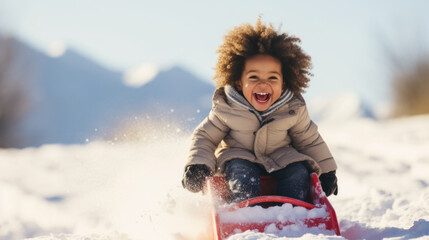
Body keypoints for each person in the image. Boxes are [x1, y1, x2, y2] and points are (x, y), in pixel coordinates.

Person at [182, 18, 338, 203]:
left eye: (272, 77)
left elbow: (309, 141)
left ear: (284, 82)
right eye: (254, 77)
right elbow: (205, 137)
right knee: (242, 175)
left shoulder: (293, 109)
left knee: (298, 173)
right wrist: (198, 165)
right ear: (239, 81)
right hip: (239, 157)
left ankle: (292, 211)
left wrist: (327, 171)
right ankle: (243, 211)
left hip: (281, 159)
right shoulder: (227, 107)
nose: (263, 83)